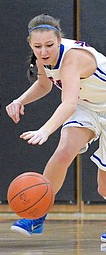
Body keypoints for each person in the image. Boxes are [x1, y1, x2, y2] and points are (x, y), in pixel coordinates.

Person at [6, 14, 106, 240]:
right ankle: (37, 214)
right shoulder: (42, 57)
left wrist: (44, 130)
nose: (43, 52)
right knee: (63, 153)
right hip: (87, 106)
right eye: (37, 46)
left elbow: (68, 103)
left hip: (89, 104)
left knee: (104, 188)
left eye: (49, 45)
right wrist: (19, 101)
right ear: (31, 44)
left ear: (60, 40)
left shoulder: (72, 59)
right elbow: (44, 86)